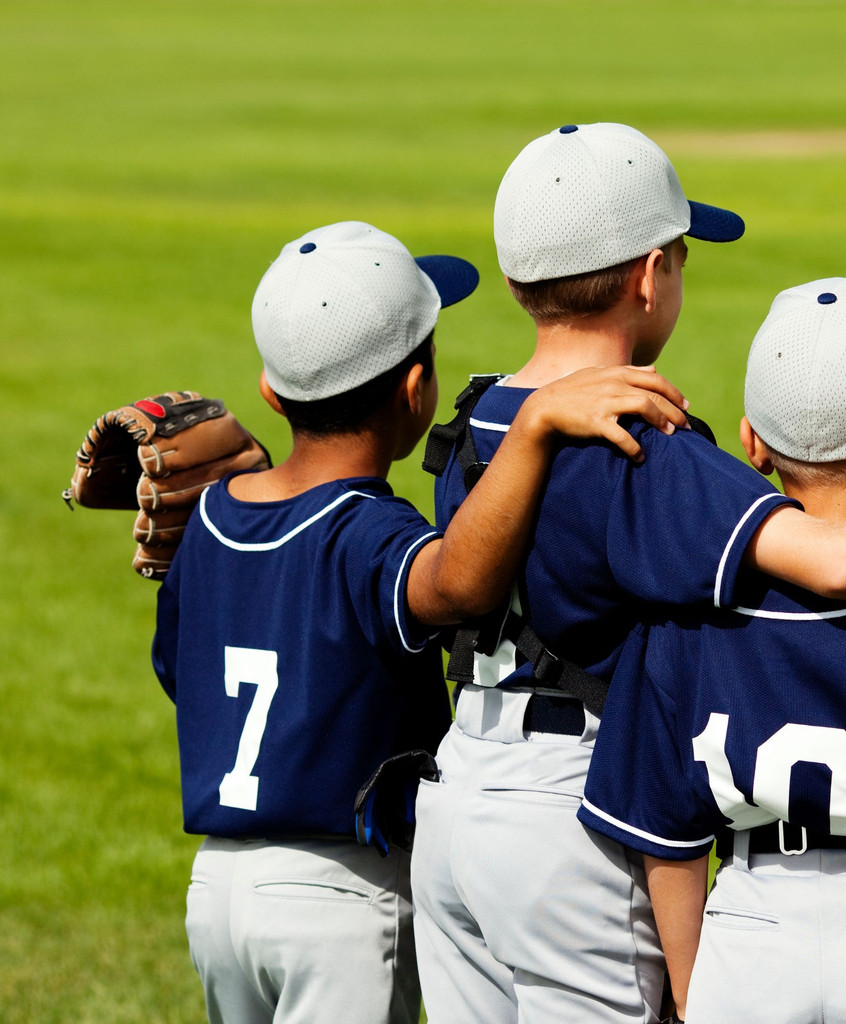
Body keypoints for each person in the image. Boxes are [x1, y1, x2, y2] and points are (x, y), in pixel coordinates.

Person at [411, 123, 846, 1024]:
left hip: (454, 801)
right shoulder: (644, 447)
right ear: (649, 275)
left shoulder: (478, 422)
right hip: (570, 814)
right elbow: (833, 560)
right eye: (678, 257)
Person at [149, 219, 690, 1024]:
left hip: (218, 895)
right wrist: (536, 427)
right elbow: (459, 585)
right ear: (417, 389)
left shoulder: (215, 521)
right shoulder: (372, 532)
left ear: (270, 391)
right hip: (339, 900)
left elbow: (177, 671)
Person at [581, 277, 846, 1024]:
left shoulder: (687, 612)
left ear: (752, 443)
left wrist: (692, 994)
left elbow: (671, 842)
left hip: (750, 924)